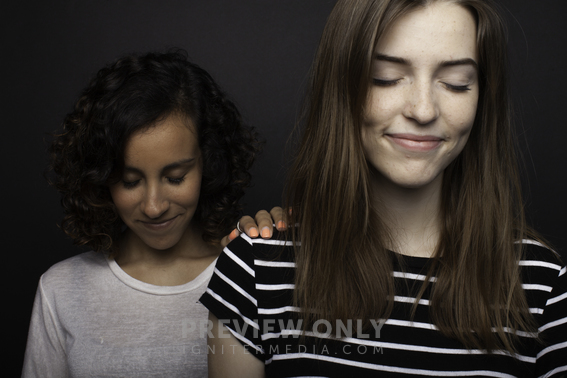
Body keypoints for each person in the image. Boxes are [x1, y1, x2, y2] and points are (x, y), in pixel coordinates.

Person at [200, 0, 567, 377]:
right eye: (386, 77)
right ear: (341, 86)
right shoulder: (255, 271)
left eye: (456, 83)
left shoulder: (545, 286)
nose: (423, 110)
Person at [22, 50, 267, 377]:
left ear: (209, 161)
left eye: (175, 177)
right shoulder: (62, 290)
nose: (154, 206)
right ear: (101, 176)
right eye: (130, 181)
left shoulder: (248, 281)